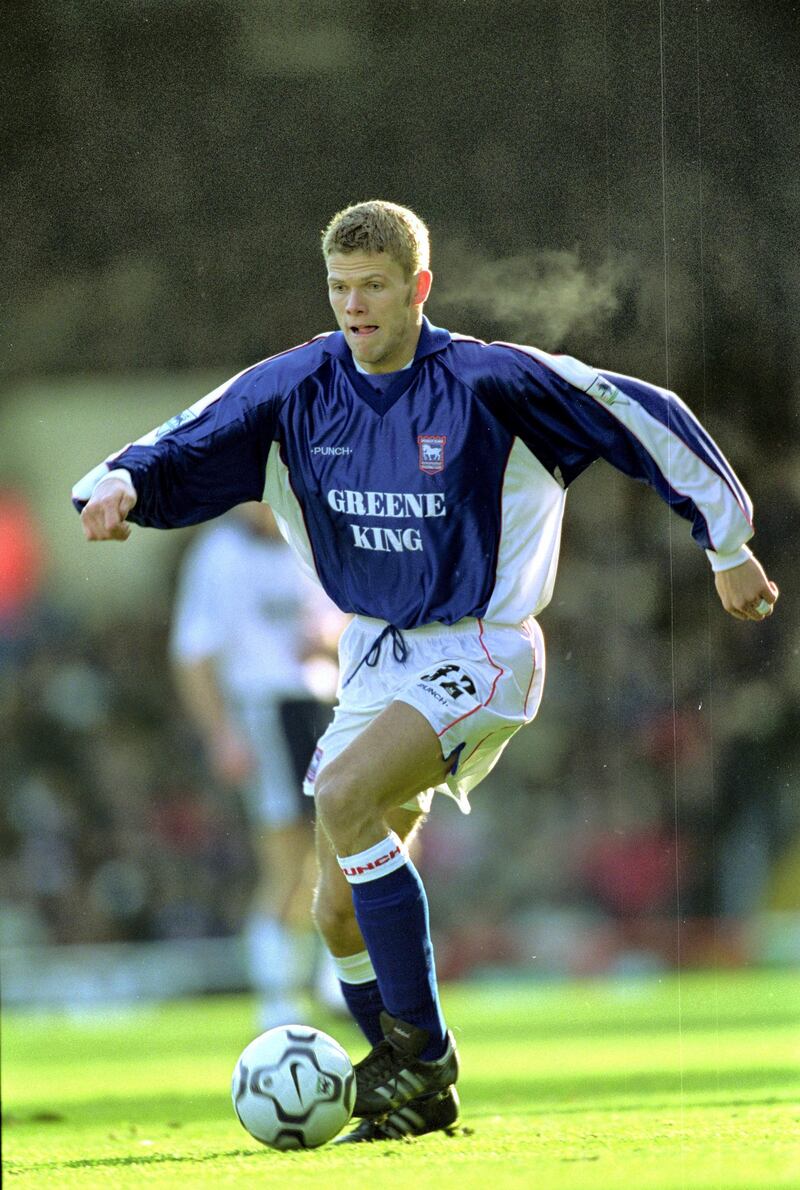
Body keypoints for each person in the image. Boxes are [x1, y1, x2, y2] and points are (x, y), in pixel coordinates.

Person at [73, 200, 778, 1143]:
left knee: (345, 797)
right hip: (372, 653)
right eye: (339, 288)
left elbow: (640, 413)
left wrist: (725, 543)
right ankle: (416, 1097)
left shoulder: (491, 381)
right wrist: (120, 481)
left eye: (373, 286)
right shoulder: (298, 386)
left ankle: (421, 1054)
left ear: (419, 288)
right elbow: (195, 432)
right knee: (331, 916)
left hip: (483, 646)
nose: (353, 306)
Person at [170, 500, 344, 1027]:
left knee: (343, 845)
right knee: (287, 857)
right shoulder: (217, 556)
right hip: (266, 712)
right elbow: (194, 654)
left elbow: (342, 622)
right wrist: (221, 733)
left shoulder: (309, 539)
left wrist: (329, 639)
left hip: (324, 703)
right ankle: (277, 995)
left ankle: (334, 979)